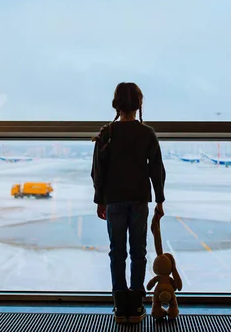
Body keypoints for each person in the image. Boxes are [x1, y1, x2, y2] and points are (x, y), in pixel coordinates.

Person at [91, 82, 166, 324]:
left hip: (114, 200)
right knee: (139, 252)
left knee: (117, 252)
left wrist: (100, 200)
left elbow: (97, 171)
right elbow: (157, 169)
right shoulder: (147, 133)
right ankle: (135, 305)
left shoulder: (107, 133)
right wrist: (160, 199)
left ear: (116, 104)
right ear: (139, 104)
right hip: (139, 199)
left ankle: (119, 305)